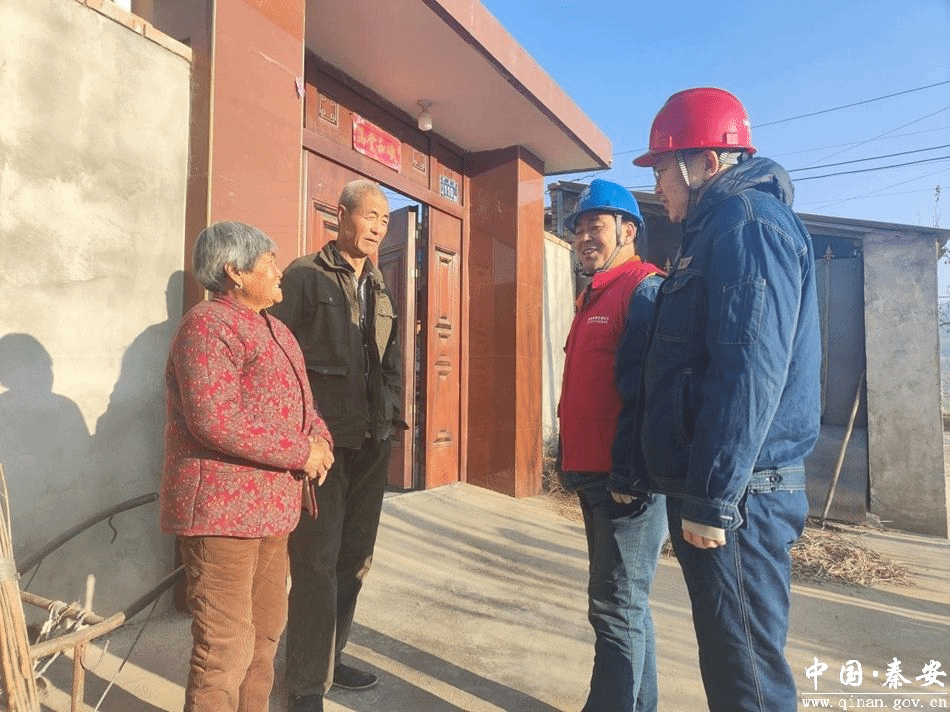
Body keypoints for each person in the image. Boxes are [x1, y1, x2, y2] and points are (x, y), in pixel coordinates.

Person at [631, 87, 821, 711]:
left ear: (705, 162)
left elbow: (749, 368)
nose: (657, 184)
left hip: (742, 493)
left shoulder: (747, 224)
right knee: (730, 663)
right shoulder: (717, 229)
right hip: (731, 486)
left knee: (747, 681)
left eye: (661, 167)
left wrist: (713, 496)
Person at [161, 221, 335, 712]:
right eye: (269, 262)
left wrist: (320, 439)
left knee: (265, 636)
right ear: (234, 272)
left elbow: (304, 406)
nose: (280, 271)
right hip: (222, 515)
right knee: (225, 648)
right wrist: (300, 452)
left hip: (273, 512)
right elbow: (214, 419)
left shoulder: (276, 329)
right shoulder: (207, 325)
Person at [270, 179, 404, 712]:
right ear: (342, 215)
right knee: (316, 564)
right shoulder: (305, 275)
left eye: (385, 221)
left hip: (373, 440)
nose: (378, 228)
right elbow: (278, 356)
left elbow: (391, 360)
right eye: (370, 215)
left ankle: (332, 657)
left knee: (356, 559)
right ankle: (306, 686)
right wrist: (298, 433)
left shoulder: (381, 285)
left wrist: (392, 415)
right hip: (324, 445)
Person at [557, 179, 667, 712]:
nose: (584, 237)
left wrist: (632, 471)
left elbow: (653, 393)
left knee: (615, 607)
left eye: (595, 226)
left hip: (625, 482)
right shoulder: (594, 295)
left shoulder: (644, 289)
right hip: (595, 475)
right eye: (578, 228)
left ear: (628, 230)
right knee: (626, 607)